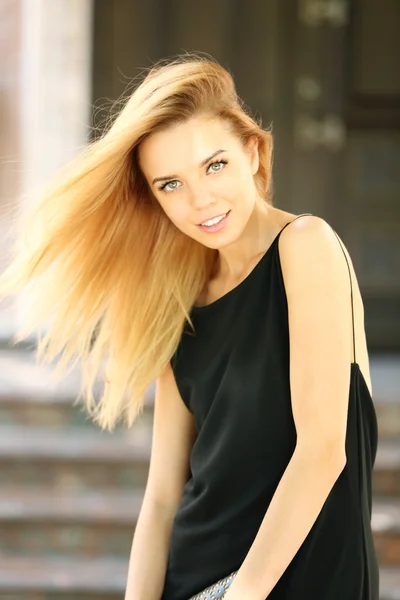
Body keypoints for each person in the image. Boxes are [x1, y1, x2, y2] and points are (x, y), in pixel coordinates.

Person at [0, 53, 379, 599]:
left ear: (253, 151)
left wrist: (242, 596)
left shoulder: (306, 246)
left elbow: (324, 450)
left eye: (215, 165)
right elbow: (161, 497)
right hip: (195, 581)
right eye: (169, 184)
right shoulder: (179, 304)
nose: (200, 200)